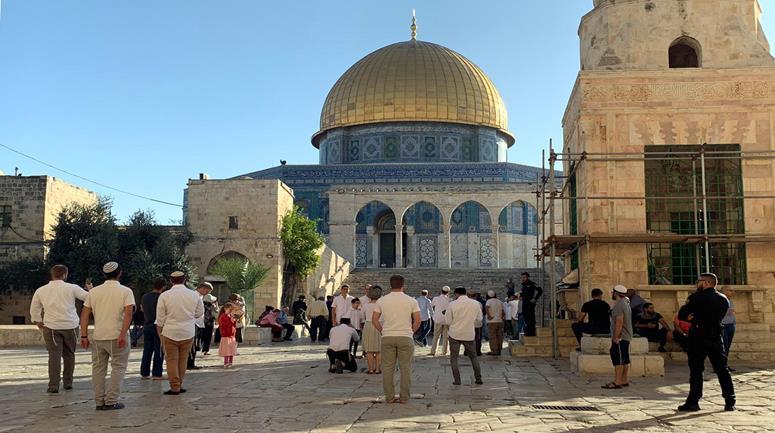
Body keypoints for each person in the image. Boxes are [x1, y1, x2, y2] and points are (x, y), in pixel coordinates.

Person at [79, 261, 135, 410]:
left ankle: (99, 401)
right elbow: (129, 313)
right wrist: (123, 334)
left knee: (98, 369)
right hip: (117, 334)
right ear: (120, 273)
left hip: (99, 336)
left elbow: (84, 315)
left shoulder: (94, 292)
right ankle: (112, 400)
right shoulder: (126, 291)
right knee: (118, 367)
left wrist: (83, 336)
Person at [677, 273, 736, 412]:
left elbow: (682, 314)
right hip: (715, 336)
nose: (697, 284)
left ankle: (693, 401)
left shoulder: (696, 297)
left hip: (698, 336)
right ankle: (730, 400)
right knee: (722, 369)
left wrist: (692, 317)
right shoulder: (723, 299)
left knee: (696, 370)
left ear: (706, 283)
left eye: (699, 281)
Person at [30, 264, 90, 393]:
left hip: (51, 326)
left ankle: (53, 385)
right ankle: (68, 382)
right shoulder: (72, 288)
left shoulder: (41, 290)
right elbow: (88, 298)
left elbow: (34, 307)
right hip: (71, 326)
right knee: (69, 354)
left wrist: (37, 320)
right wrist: (90, 289)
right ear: (65, 275)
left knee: (54, 355)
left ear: (52, 274)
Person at [372, 275, 421, 404]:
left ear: (390, 285)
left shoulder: (382, 301)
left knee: (388, 368)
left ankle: (390, 397)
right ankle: (404, 397)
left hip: (387, 336)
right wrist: (410, 331)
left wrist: (383, 331)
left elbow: (374, 320)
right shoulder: (411, 301)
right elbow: (417, 320)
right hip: (405, 337)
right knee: (406, 368)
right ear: (403, 285)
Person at [156, 270, 204, 396]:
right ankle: (180, 383)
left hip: (170, 331)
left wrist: (160, 330)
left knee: (171, 360)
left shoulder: (165, 295)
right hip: (188, 331)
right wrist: (189, 317)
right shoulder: (194, 295)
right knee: (183, 359)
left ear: (171, 281)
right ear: (185, 280)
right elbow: (199, 312)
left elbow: (160, 317)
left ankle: (175, 386)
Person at [445, 286, 483, 385]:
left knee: (454, 358)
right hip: (469, 334)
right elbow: (479, 319)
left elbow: (448, 320)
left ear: (456, 294)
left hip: (455, 334)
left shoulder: (452, 304)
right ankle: (478, 378)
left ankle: (457, 380)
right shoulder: (475, 303)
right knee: (473, 357)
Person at [602, 285, 632, 390]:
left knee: (618, 358)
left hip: (621, 336)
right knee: (624, 357)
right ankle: (624, 379)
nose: (611, 294)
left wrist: (616, 336)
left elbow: (620, 321)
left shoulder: (619, 305)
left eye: (612, 292)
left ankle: (617, 381)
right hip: (626, 336)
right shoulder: (626, 303)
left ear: (616, 293)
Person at [140, 278, 165, 380]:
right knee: (159, 350)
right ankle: (157, 373)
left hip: (147, 325)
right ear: (163, 287)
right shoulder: (162, 297)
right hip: (158, 326)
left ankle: (144, 372)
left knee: (147, 350)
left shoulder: (145, 297)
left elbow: (142, 308)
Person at [189, 282, 214, 370]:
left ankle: (191, 362)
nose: (207, 293)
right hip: (194, 323)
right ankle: (190, 363)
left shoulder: (199, 296)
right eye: (207, 291)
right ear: (202, 288)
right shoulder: (195, 296)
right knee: (193, 344)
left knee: (196, 344)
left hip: (198, 323)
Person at [362, 285, 382, 374]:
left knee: (369, 350)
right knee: (379, 350)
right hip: (379, 326)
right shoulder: (382, 305)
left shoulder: (365, 305)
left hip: (368, 325)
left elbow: (362, 317)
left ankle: (370, 369)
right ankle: (377, 369)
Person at [429, 286, 451, 356]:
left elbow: (431, 305)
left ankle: (433, 351)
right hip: (446, 320)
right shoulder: (450, 300)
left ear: (441, 291)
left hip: (438, 319)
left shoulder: (436, 298)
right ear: (448, 292)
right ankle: (444, 351)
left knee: (436, 336)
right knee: (446, 337)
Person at [519, 272, 542, 336]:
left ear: (527, 277)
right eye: (522, 277)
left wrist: (535, 298)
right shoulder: (523, 285)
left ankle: (531, 332)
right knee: (525, 316)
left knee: (530, 317)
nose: (523, 279)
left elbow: (540, 290)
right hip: (524, 302)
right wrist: (521, 296)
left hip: (530, 302)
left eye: (524, 277)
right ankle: (528, 331)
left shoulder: (532, 284)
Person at [720, 286, 736, 371]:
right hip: (723, 326)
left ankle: (725, 364)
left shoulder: (730, 301)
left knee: (727, 346)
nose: (732, 292)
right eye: (730, 290)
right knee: (723, 346)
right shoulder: (720, 300)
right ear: (724, 291)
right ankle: (721, 366)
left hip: (731, 325)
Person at [217, 303, 238, 368]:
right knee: (226, 350)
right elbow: (223, 325)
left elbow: (233, 325)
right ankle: (226, 362)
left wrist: (235, 320)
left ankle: (230, 362)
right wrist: (230, 320)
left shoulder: (231, 316)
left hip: (232, 335)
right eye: (230, 309)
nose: (231, 311)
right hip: (226, 335)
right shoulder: (223, 316)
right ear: (225, 309)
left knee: (231, 350)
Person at [485, 290, 505, 355]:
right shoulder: (500, 301)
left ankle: (494, 350)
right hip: (500, 321)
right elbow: (503, 311)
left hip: (492, 321)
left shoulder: (489, 301)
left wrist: (489, 316)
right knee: (499, 336)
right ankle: (499, 350)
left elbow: (487, 308)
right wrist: (502, 317)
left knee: (493, 336)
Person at [467, 290, 484, 356]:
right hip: (477, 323)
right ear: (475, 296)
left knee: (468, 338)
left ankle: (468, 351)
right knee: (477, 338)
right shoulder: (479, 303)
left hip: (468, 323)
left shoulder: (466, 303)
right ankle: (477, 351)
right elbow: (481, 313)